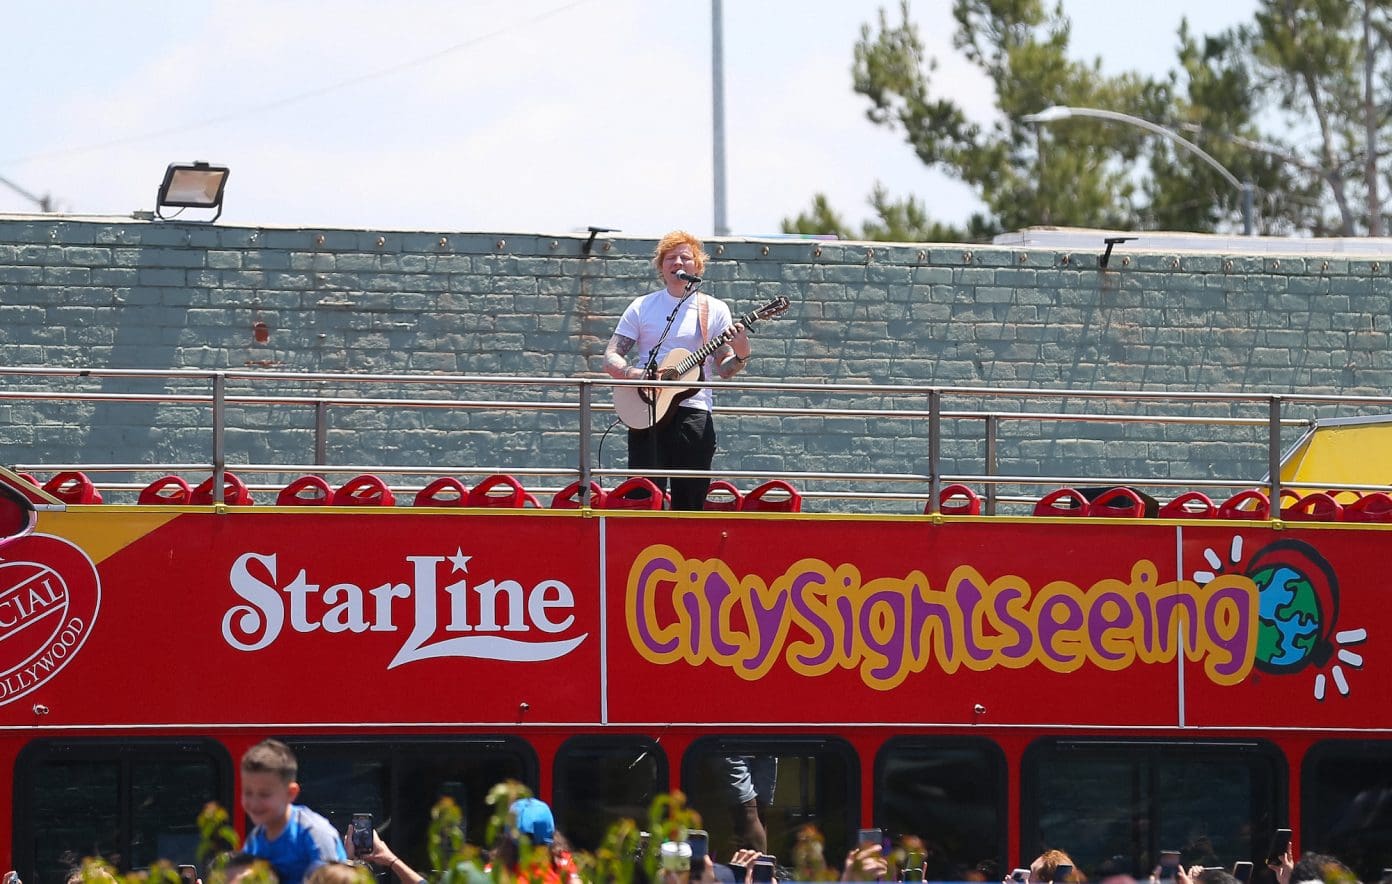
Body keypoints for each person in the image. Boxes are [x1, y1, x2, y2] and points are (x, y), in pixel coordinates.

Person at [604, 230, 752, 511]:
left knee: (691, 498)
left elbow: (724, 369)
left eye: (686, 257)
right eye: (670, 258)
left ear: (697, 266)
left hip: (693, 411)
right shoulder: (642, 306)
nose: (678, 263)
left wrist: (742, 351)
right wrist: (632, 374)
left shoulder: (714, 309)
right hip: (646, 408)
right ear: (661, 267)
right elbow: (611, 356)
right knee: (643, 497)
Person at [239, 739, 346, 884]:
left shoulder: (314, 834)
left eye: (264, 794)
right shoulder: (255, 840)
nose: (254, 803)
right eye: (247, 793)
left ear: (291, 793)